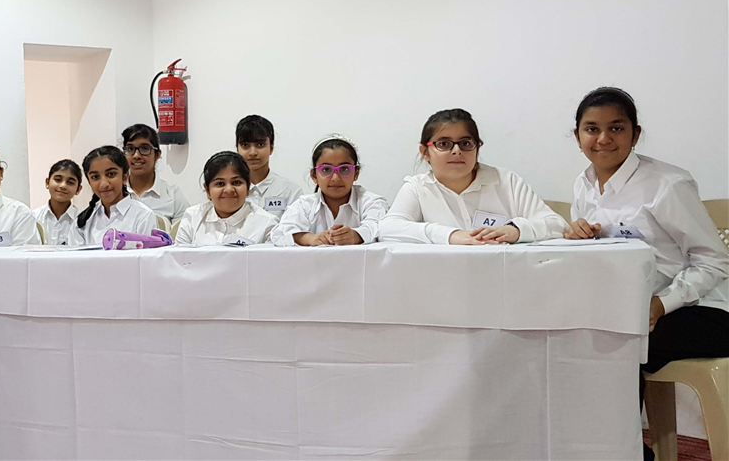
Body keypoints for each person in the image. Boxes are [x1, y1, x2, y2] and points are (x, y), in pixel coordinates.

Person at [563, 87, 728, 460]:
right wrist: (578, 235)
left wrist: (661, 304)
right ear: (577, 136)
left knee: (613, 344)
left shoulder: (667, 184)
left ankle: (627, 452)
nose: (603, 139)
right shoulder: (583, 184)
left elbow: (714, 260)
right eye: (592, 129)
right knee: (570, 338)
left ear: (635, 134)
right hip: (629, 309)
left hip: (702, 310)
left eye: (616, 128)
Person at [379, 108, 566, 245]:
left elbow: (558, 225)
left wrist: (516, 231)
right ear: (425, 152)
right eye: (444, 144)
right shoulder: (418, 187)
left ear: (477, 148)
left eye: (466, 143)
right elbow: (388, 229)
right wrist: (450, 235)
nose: (456, 151)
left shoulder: (506, 181)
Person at [271, 135, 388, 246]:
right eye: (326, 169)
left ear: (356, 173)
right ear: (314, 175)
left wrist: (355, 236)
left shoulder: (372, 202)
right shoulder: (304, 205)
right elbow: (279, 234)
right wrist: (309, 238)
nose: (335, 178)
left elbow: (378, 227)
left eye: (344, 169)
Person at [176, 151, 278, 246]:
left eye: (236, 182)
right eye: (220, 183)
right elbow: (178, 257)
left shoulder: (268, 224)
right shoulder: (192, 217)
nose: (229, 190)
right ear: (208, 191)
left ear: (247, 188)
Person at [77, 145, 156, 245]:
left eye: (111, 174)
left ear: (125, 177)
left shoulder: (143, 216)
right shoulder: (82, 222)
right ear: (89, 181)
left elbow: (148, 254)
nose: (104, 184)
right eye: (95, 177)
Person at [235, 114, 304, 218]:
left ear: (271, 148)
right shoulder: (229, 190)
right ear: (237, 148)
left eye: (260, 145)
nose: (253, 152)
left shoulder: (290, 192)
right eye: (245, 145)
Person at [123, 124, 189, 222]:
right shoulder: (115, 193)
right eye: (130, 149)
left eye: (145, 148)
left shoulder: (173, 196)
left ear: (157, 154)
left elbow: (184, 230)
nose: (136, 155)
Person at [32, 159, 83, 246]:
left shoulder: (83, 220)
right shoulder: (34, 217)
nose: (63, 186)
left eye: (70, 182)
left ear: (78, 189)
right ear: (47, 182)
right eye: (58, 180)